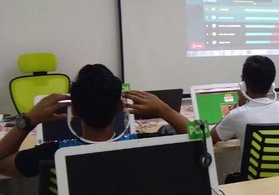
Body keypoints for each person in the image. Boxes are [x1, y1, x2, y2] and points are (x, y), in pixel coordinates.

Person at [0, 64, 188, 178]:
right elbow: (199, 140)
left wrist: (28, 120)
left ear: (74, 110)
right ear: (120, 106)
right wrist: (164, 109)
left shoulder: (54, 154)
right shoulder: (147, 145)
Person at [210, 56, 279, 148]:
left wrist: (238, 105)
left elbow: (211, 138)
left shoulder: (236, 115)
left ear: (243, 85)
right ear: (272, 85)